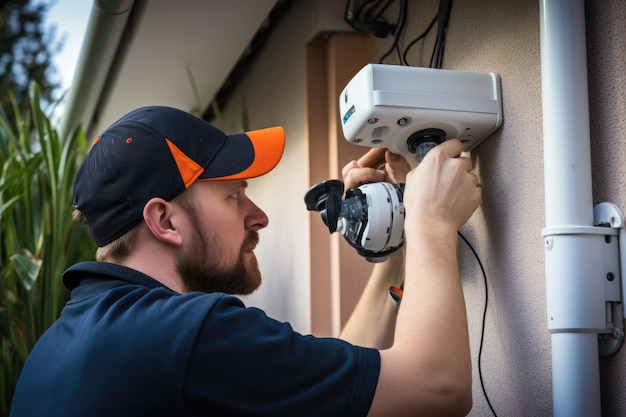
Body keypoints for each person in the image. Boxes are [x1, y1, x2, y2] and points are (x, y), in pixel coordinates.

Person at [9, 105, 480, 416]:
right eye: (234, 196)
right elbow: (437, 387)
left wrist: (396, 255)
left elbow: (344, 391)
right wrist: (430, 221)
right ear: (164, 221)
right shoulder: (185, 335)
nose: (260, 217)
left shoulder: (61, 347)